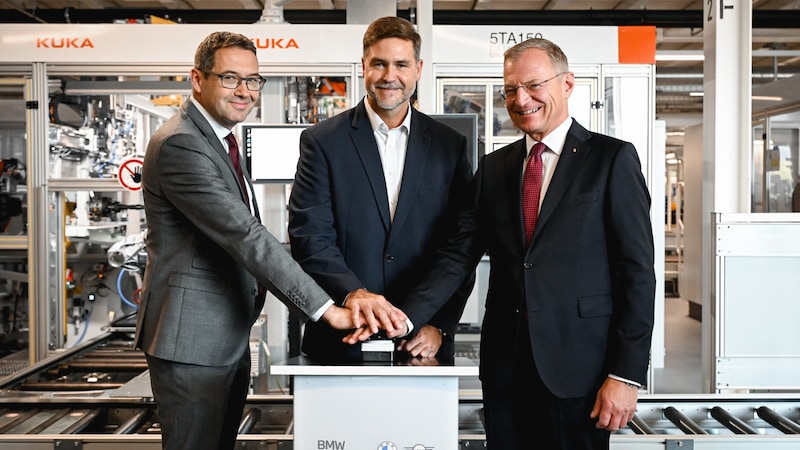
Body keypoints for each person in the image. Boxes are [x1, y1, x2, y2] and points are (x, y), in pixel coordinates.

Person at [135, 31, 406, 450]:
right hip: (192, 341)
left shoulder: (218, 139)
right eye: (229, 78)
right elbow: (244, 236)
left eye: (252, 80)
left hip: (221, 334)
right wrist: (328, 311)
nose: (244, 91)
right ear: (197, 79)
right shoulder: (182, 144)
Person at [397, 37, 656, 449]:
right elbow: (459, 255)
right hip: (506, 368)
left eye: (534, 85)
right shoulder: (495, 167)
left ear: (567, 84)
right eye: (511, 90)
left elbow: (637, 273)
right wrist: (407, 317)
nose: (521, 99)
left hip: (580, 370)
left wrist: (625, 375)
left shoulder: (611, 160)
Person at [288, 16, 475, 362]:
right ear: (363, 67)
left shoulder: (450, 147)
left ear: (418, 69)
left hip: (422, 342)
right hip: (341, 338)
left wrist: (433, 323)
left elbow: (460, 247)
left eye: (401, 64)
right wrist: (354, 293)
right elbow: (310, 237)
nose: (390, 76)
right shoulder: (323, 142)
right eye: (379, 63)